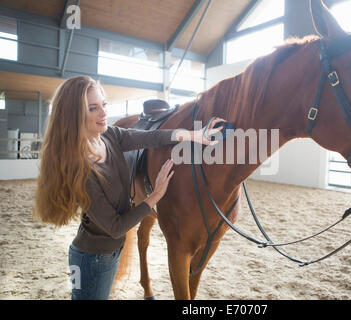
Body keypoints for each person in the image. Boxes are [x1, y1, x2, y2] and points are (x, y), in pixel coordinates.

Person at [33, 76, 224, 300]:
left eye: (103, 104)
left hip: (108, 253)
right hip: (92, 258)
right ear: (74, 114)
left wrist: (194, 136)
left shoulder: (109, 136)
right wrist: (155, 196)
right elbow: (116, 226)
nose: (103, 113)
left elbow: (153, 137)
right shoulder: (81, 167)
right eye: (93, 108)